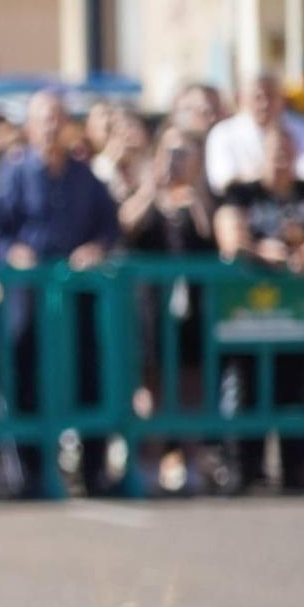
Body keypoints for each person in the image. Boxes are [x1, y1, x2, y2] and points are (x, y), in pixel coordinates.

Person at [0, 88, 121, 496]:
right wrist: (11, 252)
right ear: (28, 127)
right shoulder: (14, 173)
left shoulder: (86, 176)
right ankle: (31, 470)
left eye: (57, 119)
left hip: (76, 293)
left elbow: (108, 227)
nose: (50, 127)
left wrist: (96, 248)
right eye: (42, 119)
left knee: (88, 371)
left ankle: (93, 468)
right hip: (29, 294)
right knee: (24, 372)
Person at [213, 126, 304, 491]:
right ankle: (242, 470)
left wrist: (303, 254)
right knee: (245, 392)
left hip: (297, 320)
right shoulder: (243, 192)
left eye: (286, 152)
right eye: (274, 153)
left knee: (296, 394)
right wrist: (264, 254)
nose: (281, 161)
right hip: (245, 318)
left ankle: (296, 471)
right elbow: (230, 236)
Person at [120, 126, 214, 493]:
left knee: (192, 385)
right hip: (150, 309)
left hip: (193, 308)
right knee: (152, 387)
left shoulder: (202, 199)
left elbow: (213, 237)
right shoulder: (146, 195)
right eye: (169, 152)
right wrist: (152, 188)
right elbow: (126, 224)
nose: (175, 161)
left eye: (184, 153)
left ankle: (190, 464)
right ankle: (148, 462)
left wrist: (195, 200)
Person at [206, 72, 304, 193]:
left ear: (283, 98)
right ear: (241, 98)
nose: (264, 104)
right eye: (257, 97)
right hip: (245, 203)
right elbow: (223, 181)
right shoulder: (223, 133)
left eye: (271, 96)